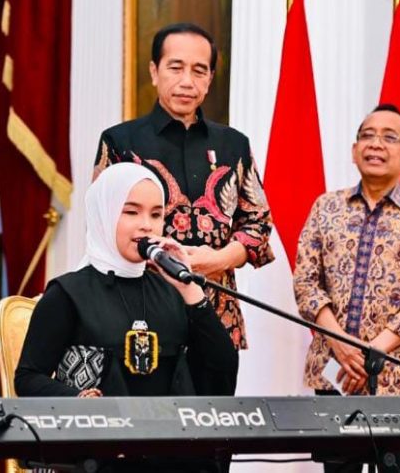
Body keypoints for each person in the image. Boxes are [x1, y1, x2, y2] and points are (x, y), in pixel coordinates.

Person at [15, 163, 238, 471]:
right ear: (104, 215)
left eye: (156, 215)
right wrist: (80, 400)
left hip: (167, 458)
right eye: (131, 212)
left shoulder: (172, 291)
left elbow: (221, 371)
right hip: (96, 457)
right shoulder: (68, 293)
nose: (146, 225)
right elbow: (27, 379)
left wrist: (190, 291)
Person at [94, 23, 274, 357]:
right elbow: (103, 228)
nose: (187, 81)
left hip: (217, 315)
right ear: (154, 71)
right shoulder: (120, 142)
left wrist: (217, 260)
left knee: (213, 409)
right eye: (175, 68)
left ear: (210, 78)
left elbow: (258, 226)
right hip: (138, 315)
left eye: (199, 70)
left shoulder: (234, 144)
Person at [293, 104, 400, 472]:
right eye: (367, 135)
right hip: (335, 372)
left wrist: (370, 354)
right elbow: (306, 282)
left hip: (398, 378)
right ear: (353, 149)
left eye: (389, 137)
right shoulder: (326, 207)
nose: (376, 144)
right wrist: (340, 344)